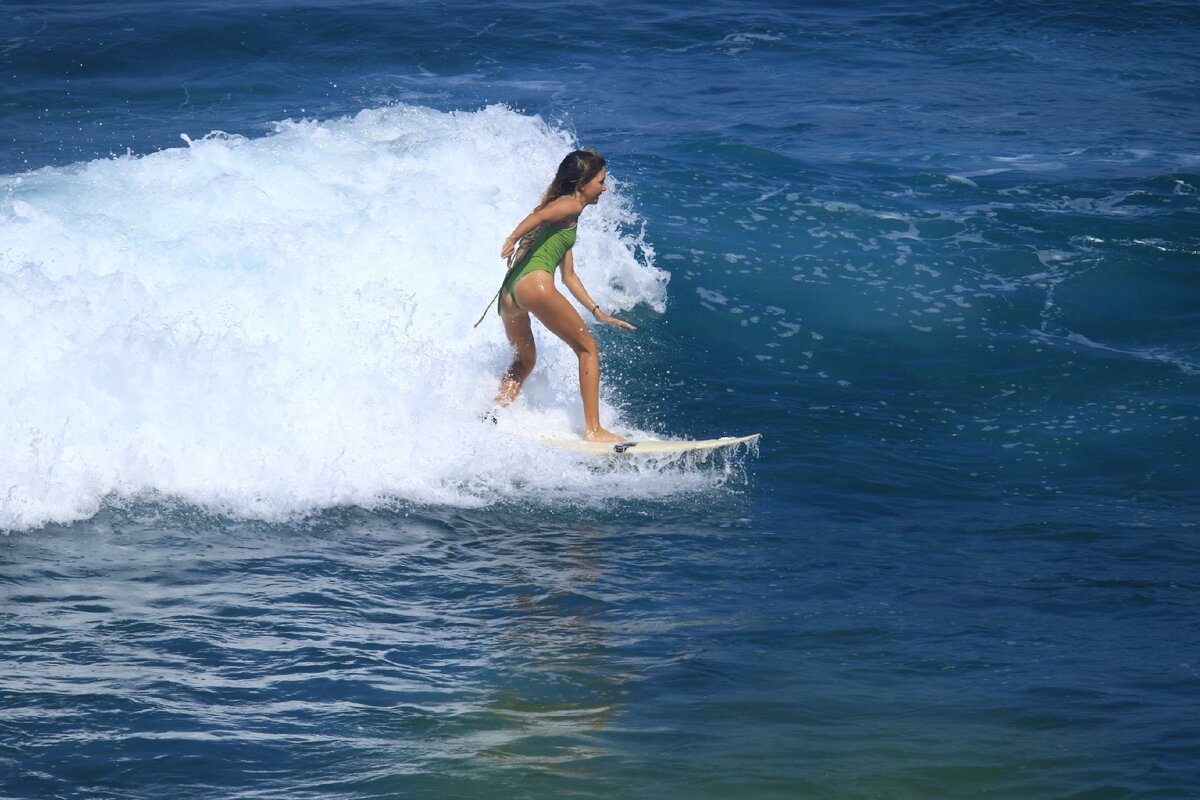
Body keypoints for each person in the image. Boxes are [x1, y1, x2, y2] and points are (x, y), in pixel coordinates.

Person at [485, 149, 635, 442]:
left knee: (525, 361)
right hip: (535, 285)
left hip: (510, 296)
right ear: (582, 183)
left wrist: (597, 312)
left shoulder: (564, 219)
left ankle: (493, 415)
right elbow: (537, 216)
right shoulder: (570, 206)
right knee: (588, 348)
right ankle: (594, 431)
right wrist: (512, 238)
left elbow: (569, 277)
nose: (605, 188)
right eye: (601, 181)